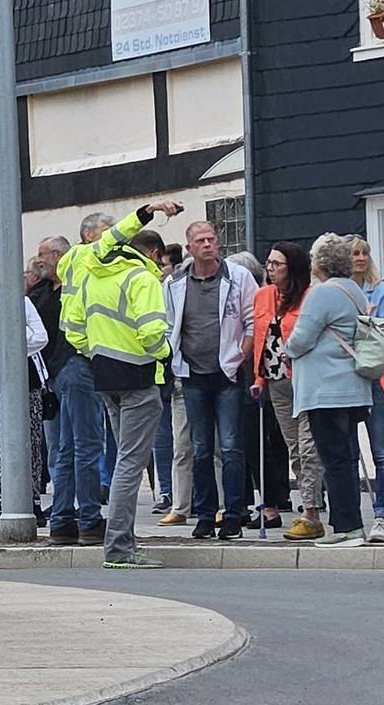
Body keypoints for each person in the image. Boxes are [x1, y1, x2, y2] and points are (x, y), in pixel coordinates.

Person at [70, 203, 182, 567]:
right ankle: (118, 548)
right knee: (130, 465)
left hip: (105, 376)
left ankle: (124, 543)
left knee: (123, 462)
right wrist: (163, 353)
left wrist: (98, 353)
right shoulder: (143, 279)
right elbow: (152, 331)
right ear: (151, 254)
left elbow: (74, 329)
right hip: (138, 377)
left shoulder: (91, 274)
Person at [166, 220, 258, 540]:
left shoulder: (238, 277)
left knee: (231, 446)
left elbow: (252, 322)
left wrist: (238, 358)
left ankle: (234, 513)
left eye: (212, 239)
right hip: (192, 373)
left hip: (227, 373)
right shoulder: (176, 281)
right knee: (200, 448)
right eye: (200, 240)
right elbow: (169, 324)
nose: (208, 244)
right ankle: (205, 513)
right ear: (189, 247)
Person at [286, 234, 377, 547]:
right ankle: (349, 524)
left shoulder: (322, 293)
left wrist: (287, 347)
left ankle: (347, 527)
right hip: (353, 387)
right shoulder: (355, 290)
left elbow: (301, 339)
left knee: (334, 459)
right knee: (347, 457)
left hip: (326, 390)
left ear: (319, 264)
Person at [246, 240, 323, 539]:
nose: (271, 269)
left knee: (308, 447)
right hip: (276, 381)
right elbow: (262, 338)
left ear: (292, 268)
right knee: (294, 448)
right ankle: (310, 504)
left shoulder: (308, 296)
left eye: (277, 264)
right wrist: (258, 378)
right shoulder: (264, 295)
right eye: (269, 264)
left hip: (304, 379)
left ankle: (311, 509)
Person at [0, 254, 49, 520]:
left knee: (33, 444)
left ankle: (33, 500)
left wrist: (17, 338)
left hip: (29, 383)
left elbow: (41, 337)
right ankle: (1, 503)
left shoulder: (23, 303)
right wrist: (21, 337)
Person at [38, 234, 102, 545]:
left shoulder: (58, 290)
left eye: (45, 255)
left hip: (61, 369)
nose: (40, 261)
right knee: (84, 444)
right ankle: (88, 517)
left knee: (67, 447)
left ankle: (63, 518)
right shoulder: (76, 287)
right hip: (75, 366)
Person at [350, 242, 384, 541]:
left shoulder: (380, 289)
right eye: (354, 253)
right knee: (346, 449)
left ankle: (382, 515)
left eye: (363, 253)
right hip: (346, 376)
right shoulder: (338, 288)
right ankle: (350, 516)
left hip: (375, 374)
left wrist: (362, 322)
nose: (359, 258)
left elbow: (380, 332)